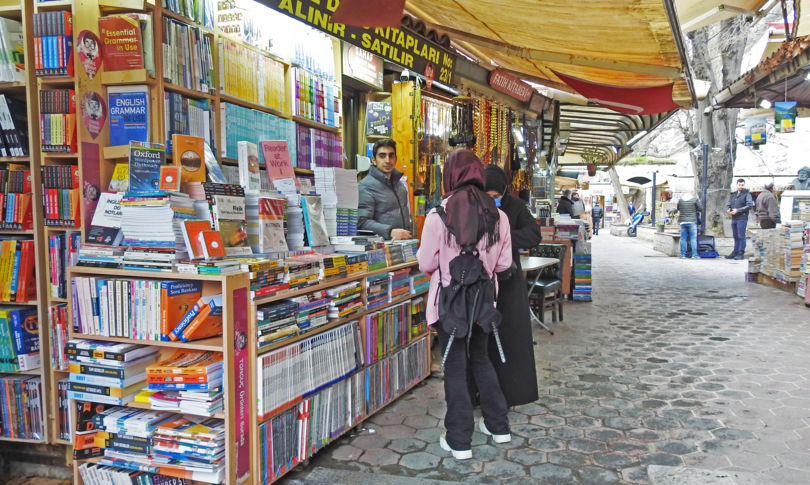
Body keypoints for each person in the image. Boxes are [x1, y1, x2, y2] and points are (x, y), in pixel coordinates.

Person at [417, 151, 513, 460]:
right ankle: (499, 427)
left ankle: (459, 440)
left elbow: (425, 263)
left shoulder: (437, 216)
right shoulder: (499, 217)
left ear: (449, 175)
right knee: (481, 361)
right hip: (485, 303)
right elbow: (504, 265)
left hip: (449, 304)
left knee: (455, 367)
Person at [483, 164, 540, 407]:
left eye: (496, 197)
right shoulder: (472, 206)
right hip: (483, 284)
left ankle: (512, 394)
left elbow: (533, 235)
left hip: (509, 284)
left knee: (511, 339)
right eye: (488, 197)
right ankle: (482, 393)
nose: (492, 201)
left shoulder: (516, 207)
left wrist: (503, 238)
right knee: (482, 342)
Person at [358, 139, 412, 240]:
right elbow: (362, 222)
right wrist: (390, 231)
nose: (387, 160)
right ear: (374, 160)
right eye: (382, 156)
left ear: (395, 159)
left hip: (401, 246)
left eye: (391, 156)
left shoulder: (399, 185)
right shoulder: (365, 186)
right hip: (380, 247)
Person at [726, 179, 753, 260]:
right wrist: (728, 209)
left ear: (744, 185)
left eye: (742, 185)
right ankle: (735, 251)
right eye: (739, 184)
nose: (741, 186)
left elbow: (749, 205)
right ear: (737, 185)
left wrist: (738, 210)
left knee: (741, 236)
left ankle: (741, 253)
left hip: (742, 218)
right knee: (735, 236)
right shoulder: (733, 195)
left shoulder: (747, 194)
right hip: (734, 218)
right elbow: (729, 204)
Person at [676, 191, 702, 259]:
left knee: (683, 238)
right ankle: (694, 255)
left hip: (682, 222)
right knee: (693, 238)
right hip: (692, 222)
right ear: (692, 192)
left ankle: (683, 255)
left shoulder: (680, 200)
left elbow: (678, 208)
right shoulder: (694, 200)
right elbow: (700, 208)